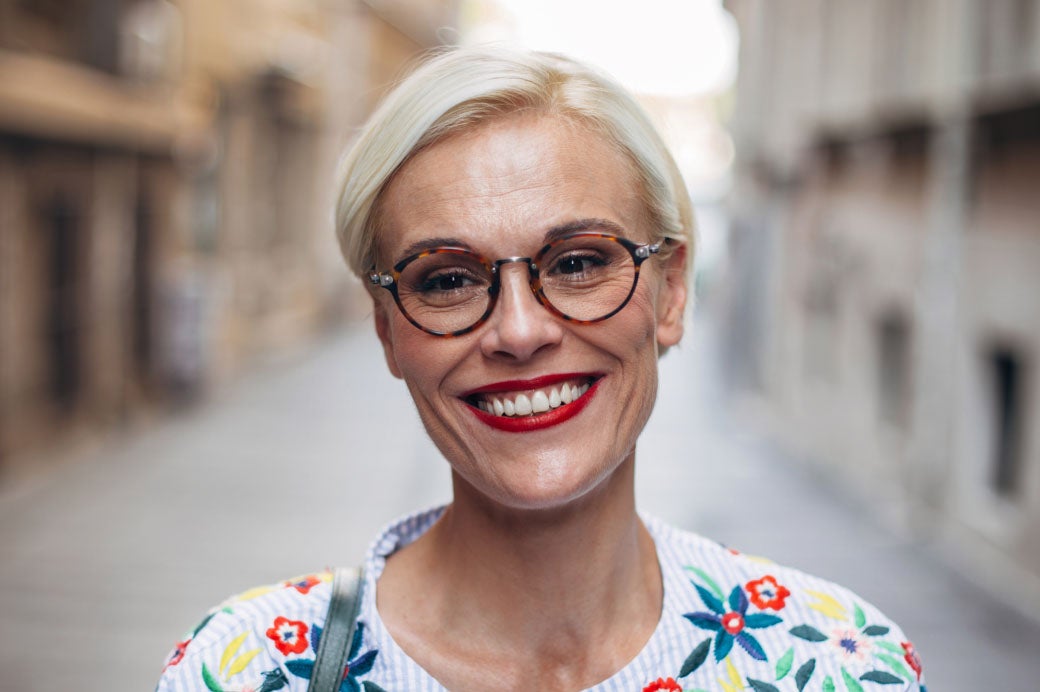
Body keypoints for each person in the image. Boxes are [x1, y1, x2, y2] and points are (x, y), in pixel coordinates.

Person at [156, 46, 926, 692]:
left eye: (580, 262)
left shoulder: (834, 664)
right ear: (388, 328)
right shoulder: (248, 669)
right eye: (448, 279)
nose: (519, 332)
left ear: (673, 291)